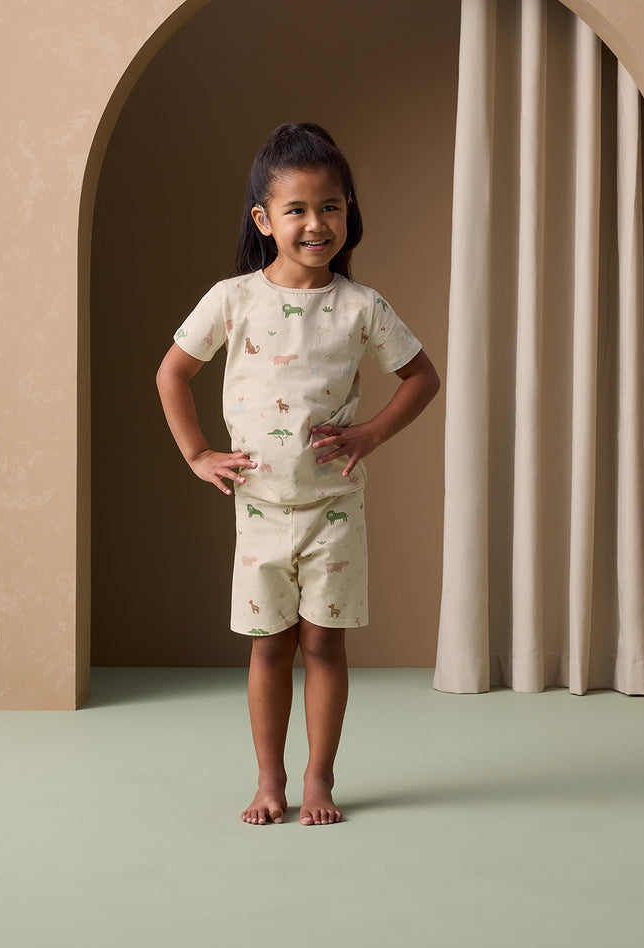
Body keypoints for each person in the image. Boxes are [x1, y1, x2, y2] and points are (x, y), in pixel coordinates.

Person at [156, 123, 440, 826]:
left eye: (331, 206)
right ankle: (268, 781)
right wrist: (197, 454)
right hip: (259, 509)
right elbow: (172, 373)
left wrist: (371, 433)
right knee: (269, 647)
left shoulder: (361, 306)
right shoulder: (233, 299)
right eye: (297, 210)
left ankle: (319, 780)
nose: (317, 224)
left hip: (333, 509)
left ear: (348, 211)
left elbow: (422, 378)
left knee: (322, 643)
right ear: (264, 220)